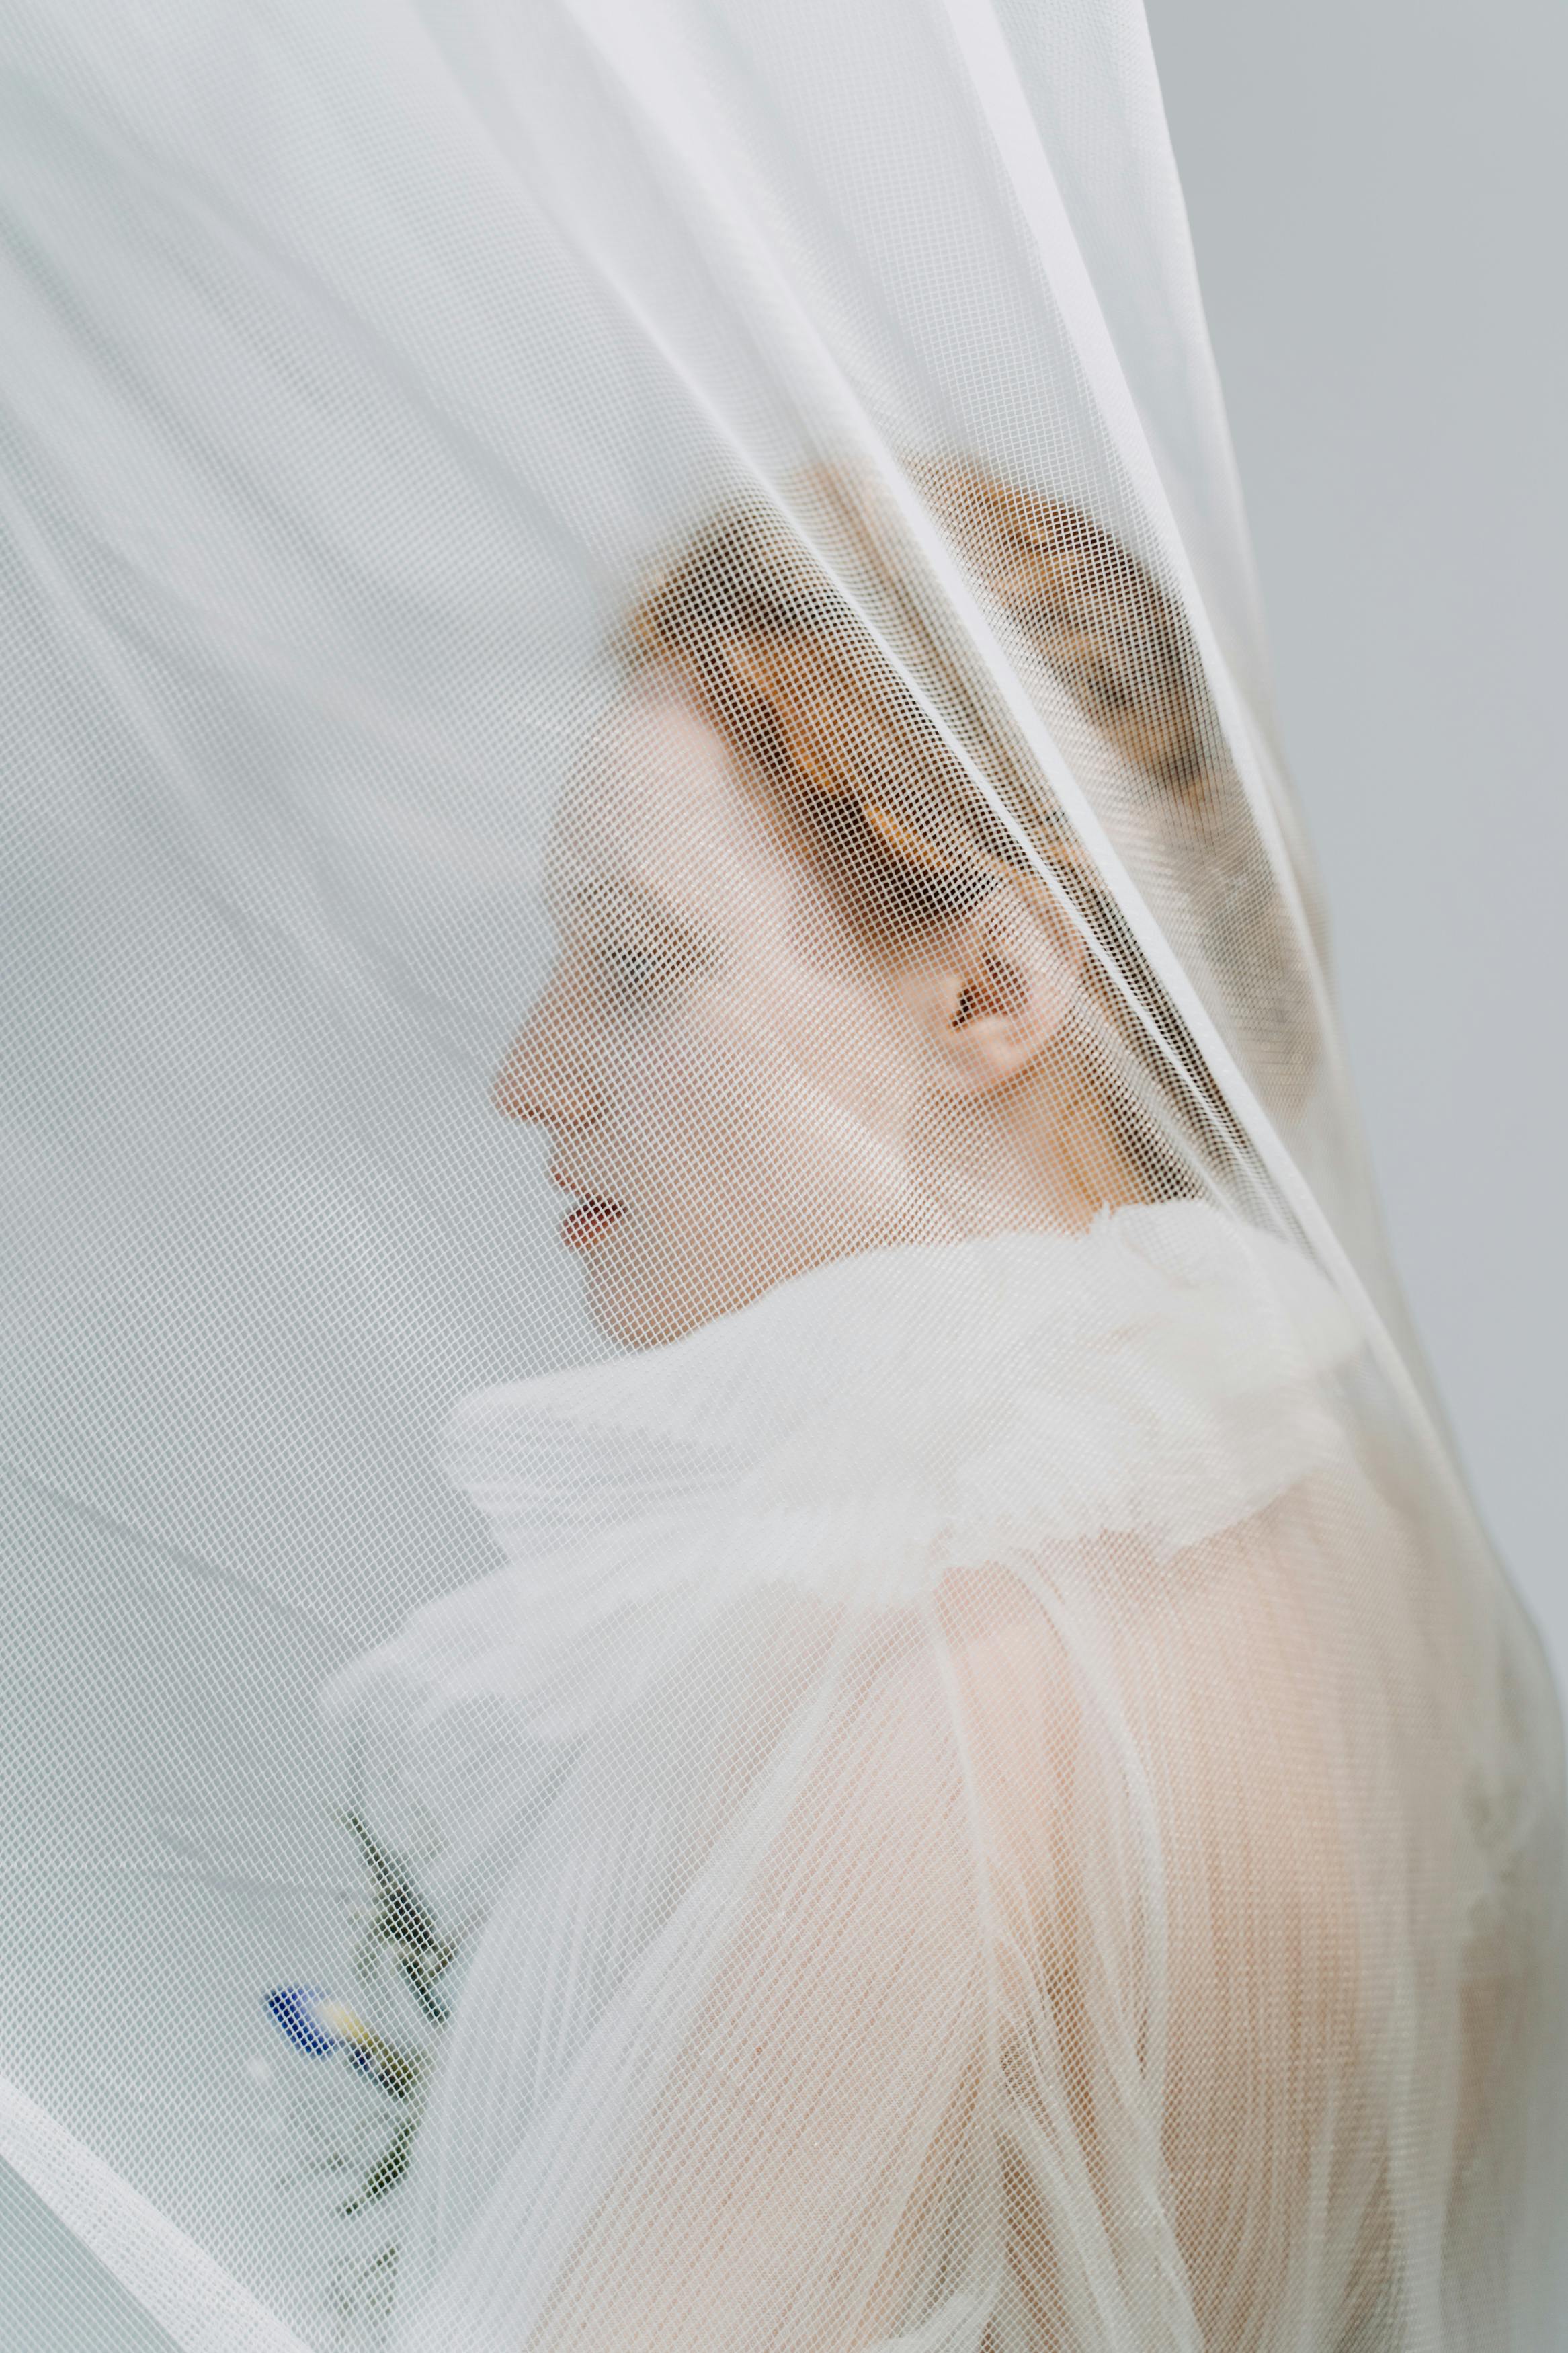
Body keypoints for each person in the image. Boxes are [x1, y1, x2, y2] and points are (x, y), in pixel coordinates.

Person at [325, 467, 1566, 2350]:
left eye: (636, 960)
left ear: (990, 993)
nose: (529, 1070)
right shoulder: (1371, 1533)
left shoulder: (932, 1661)